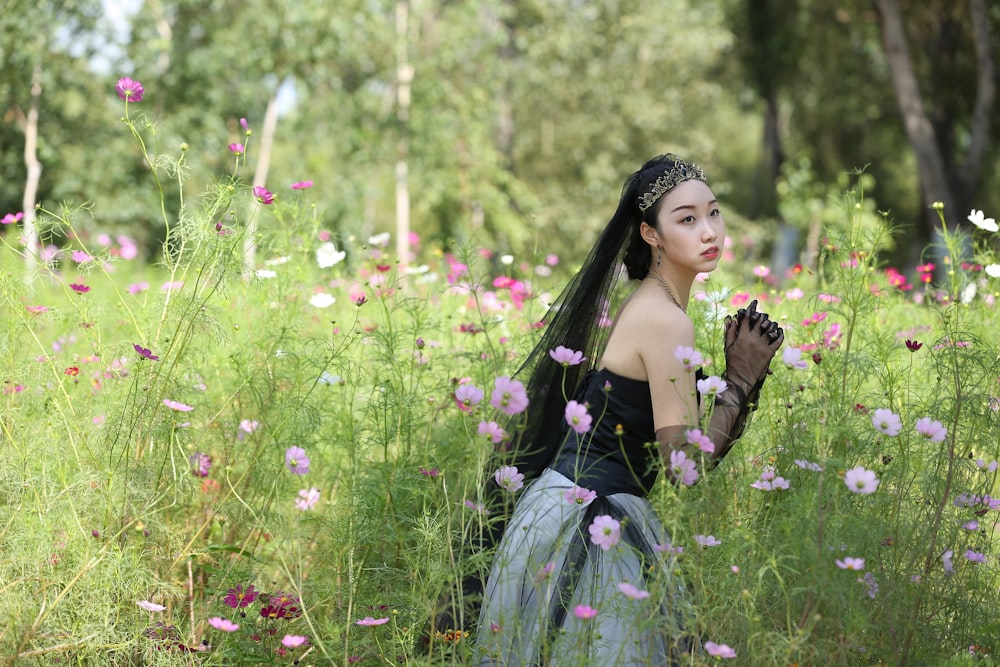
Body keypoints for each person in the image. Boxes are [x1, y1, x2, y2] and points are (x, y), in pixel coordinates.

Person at [472, 154, 784, 665]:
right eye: (686, 219)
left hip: (566, 507)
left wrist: (737, 385)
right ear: (651, 234)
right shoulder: (666, 321)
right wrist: (742, 381)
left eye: (713, 213)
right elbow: (683, 467)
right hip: (592, 522)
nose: (709, 231)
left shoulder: (652, 302)